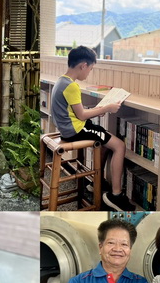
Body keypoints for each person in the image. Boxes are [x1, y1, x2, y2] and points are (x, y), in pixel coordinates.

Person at [49, 45, 130, 211]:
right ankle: (115, 195)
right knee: (119, 145)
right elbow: (81, 116)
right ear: (83, 65)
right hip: (75, 131)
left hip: (69, 128)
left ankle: (95, 183)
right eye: (91, 69)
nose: (89, 73)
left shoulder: (61, 81)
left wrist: (95, 111)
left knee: (105, 139)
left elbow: (76, 111)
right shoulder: (72, 86)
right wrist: (107, 108)